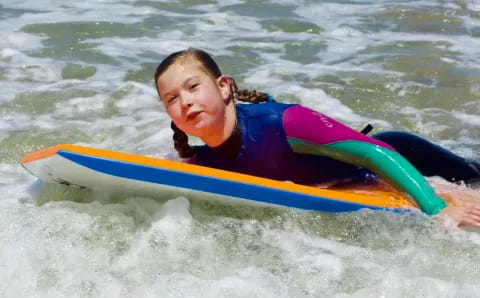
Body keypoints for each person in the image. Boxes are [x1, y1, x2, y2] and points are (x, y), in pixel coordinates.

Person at [154, 48, 480, 227]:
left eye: (193, 86)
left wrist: (436, 208)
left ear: (223, 86)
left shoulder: (283, 122)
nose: (184, 101)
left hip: (403, 159)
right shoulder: (204, 160)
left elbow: (375, 153)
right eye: (171, 98)